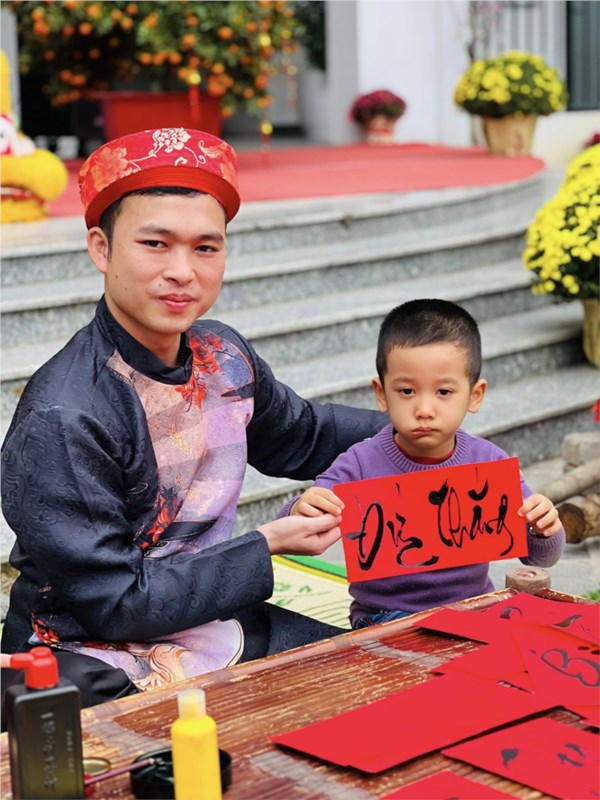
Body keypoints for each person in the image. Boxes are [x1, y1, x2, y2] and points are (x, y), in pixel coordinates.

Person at [0, 127, 387, 707]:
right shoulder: (65, 414)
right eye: (156, 244)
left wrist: (426, 432)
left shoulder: (222, 356)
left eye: (206, 248)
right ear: (101, 249)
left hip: (207, 616)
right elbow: (114, 602)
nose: (183, 271)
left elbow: (302, 435)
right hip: (85, 647)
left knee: (375, 676)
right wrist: (267, 544)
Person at [281, 298, 565, 628]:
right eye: (406, 391)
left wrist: (544, 528)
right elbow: (294, 531)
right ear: (381, 394)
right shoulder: (359, 464)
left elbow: (539, 557)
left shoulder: (489, 463)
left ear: (474, 395)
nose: (424, 410)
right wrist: (299, 509)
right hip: (385, 617)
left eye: (443, 392)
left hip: (474, 610)